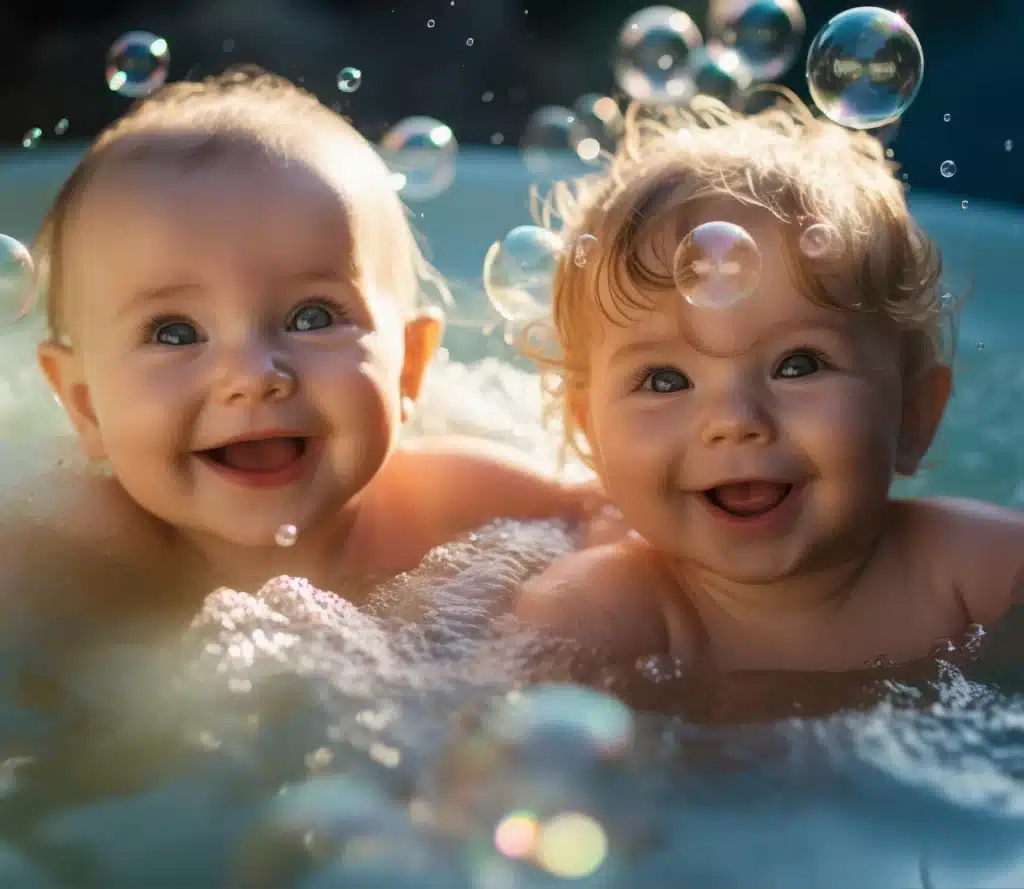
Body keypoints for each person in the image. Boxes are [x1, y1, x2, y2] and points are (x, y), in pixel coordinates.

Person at [0, 67, 594, 637]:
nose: (253, 376)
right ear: (84, 405)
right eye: (174, 332)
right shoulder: (62, 547)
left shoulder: (461, 507)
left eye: (311, 317)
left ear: (409, 366)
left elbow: (617, 526)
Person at [514, 92, 1024, 672]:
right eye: (663, 380)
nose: (734, 420)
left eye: (798, 365)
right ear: (591, 434)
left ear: (914, 413)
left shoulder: (977, 573)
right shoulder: (597, 618)